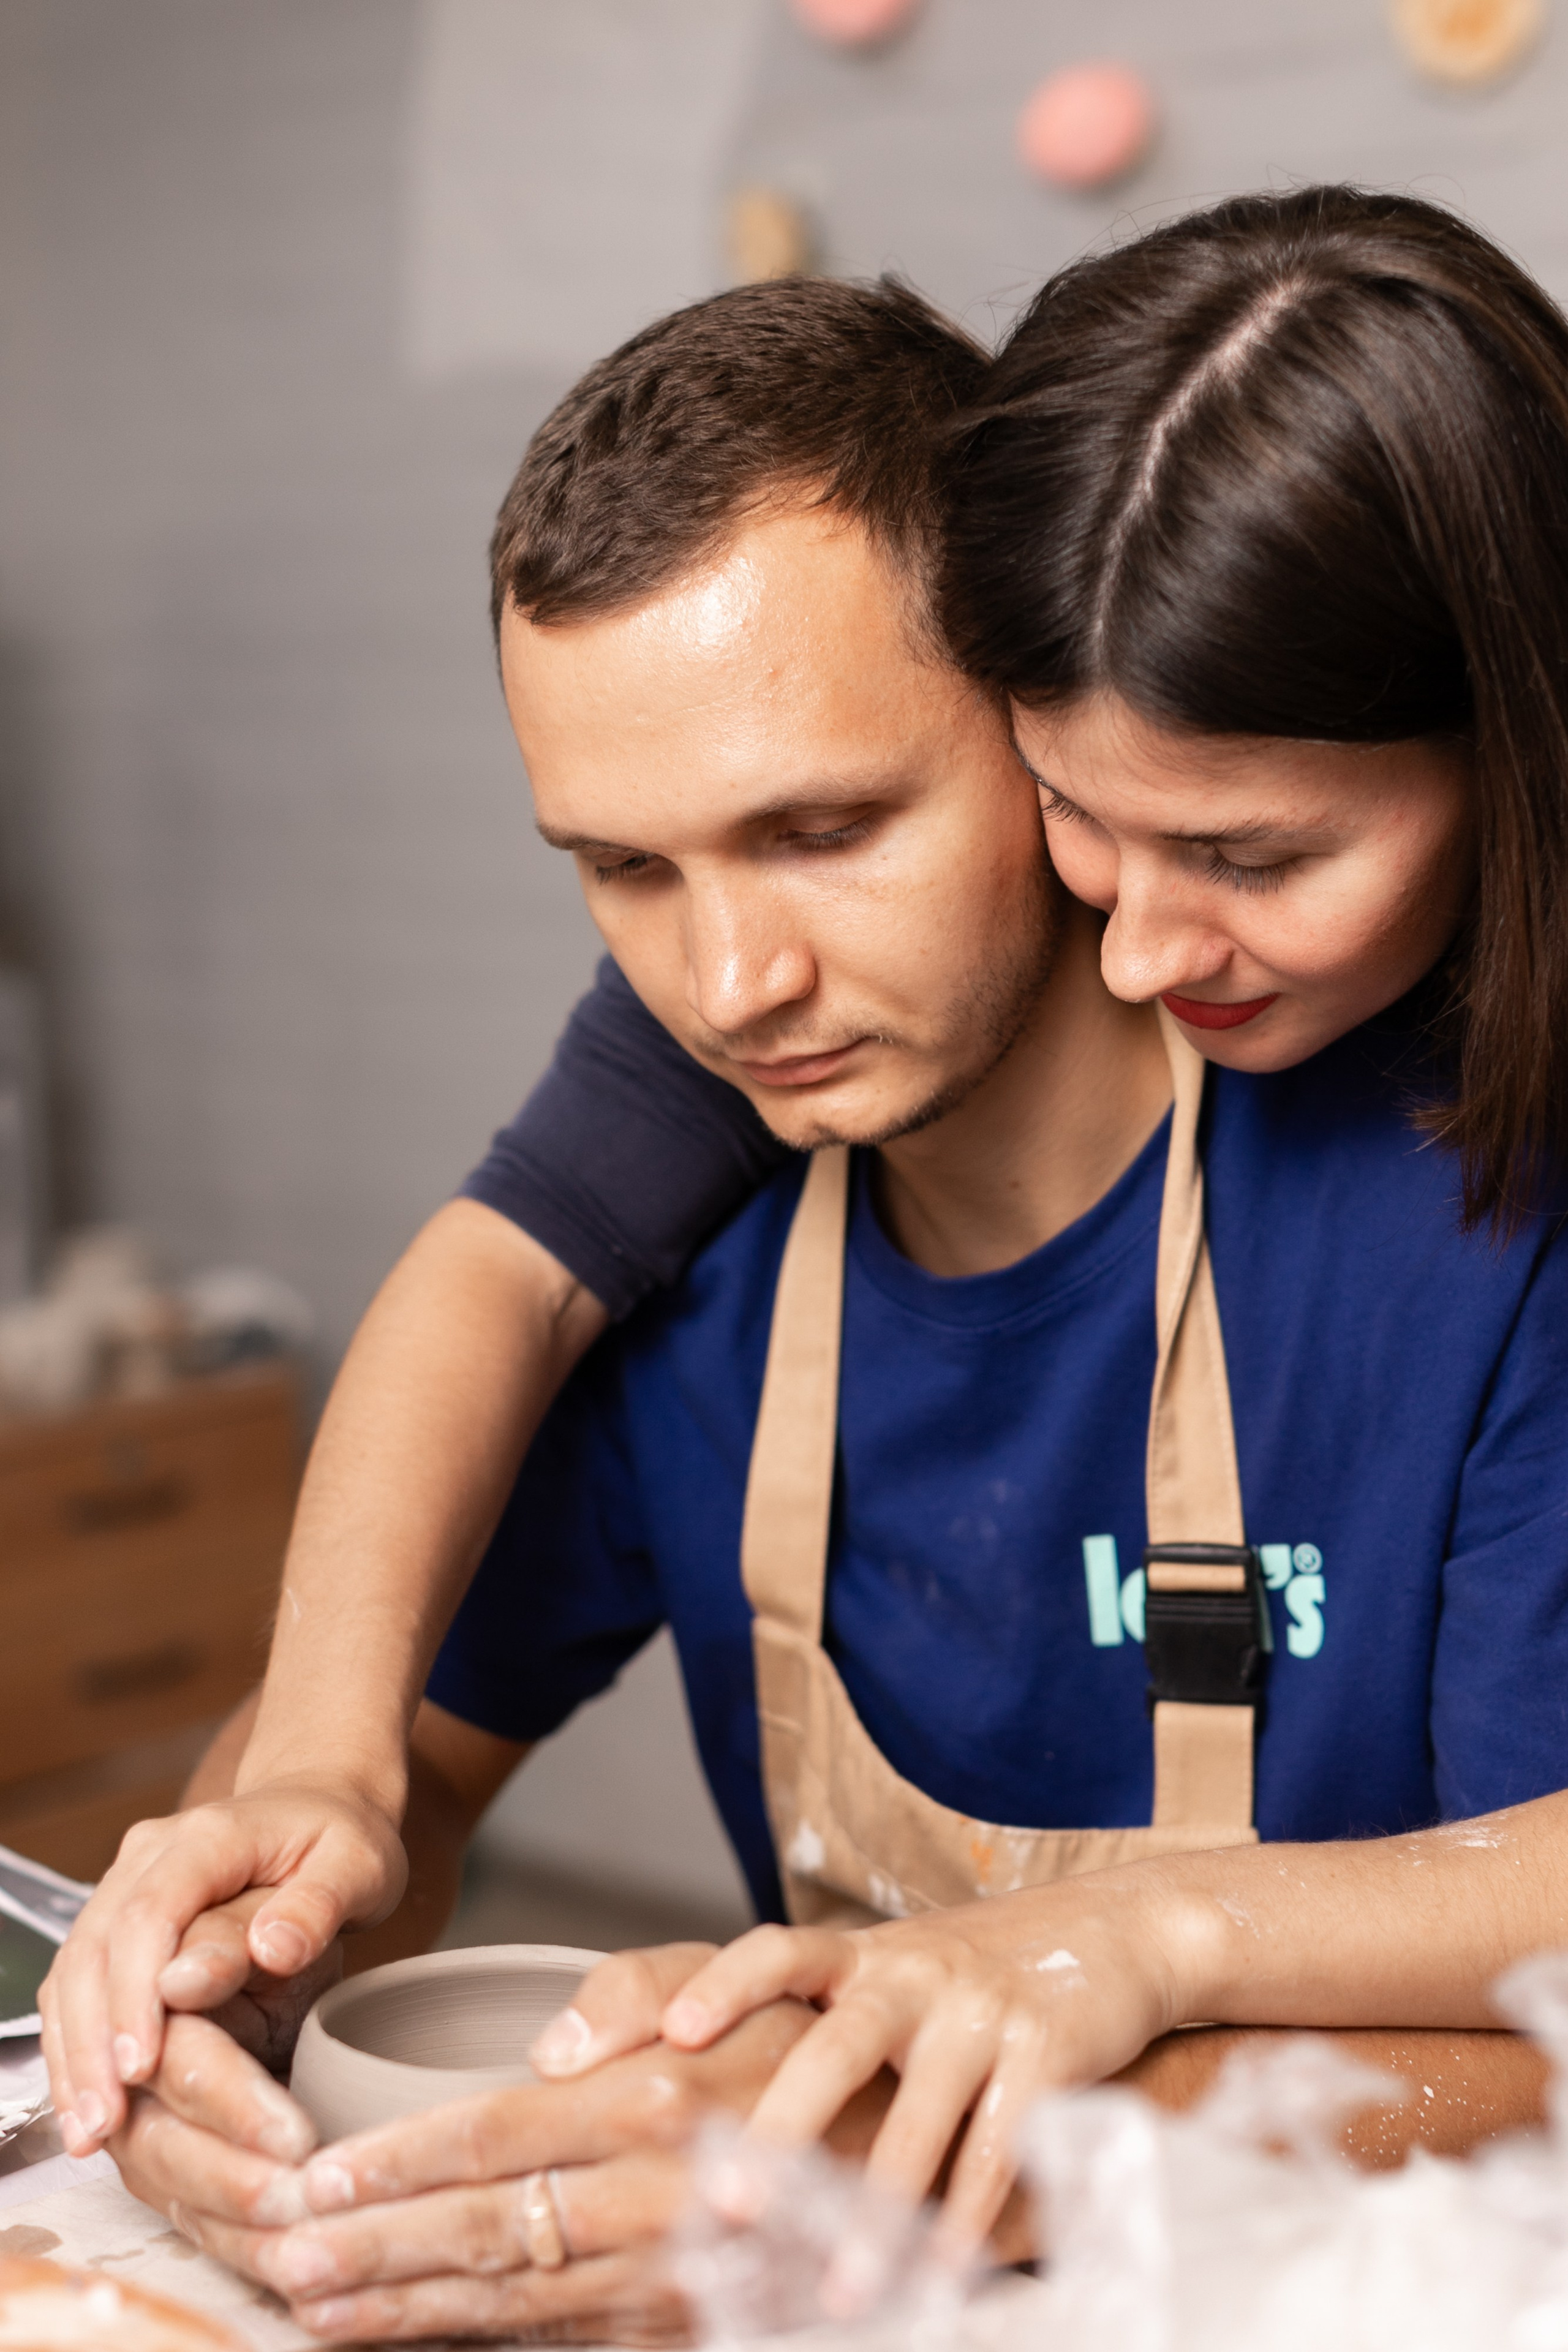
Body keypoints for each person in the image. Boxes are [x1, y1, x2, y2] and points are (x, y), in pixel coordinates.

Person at [67, 260, 1568, 2346]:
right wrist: (234, 1961)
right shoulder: (680, 1259)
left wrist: (910, 2172)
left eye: (826, 829)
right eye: (625, 870)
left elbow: (1551, 2047)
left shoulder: (1480, 1219)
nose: (727, 985)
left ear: (1054, 717)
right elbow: (378, 1780)